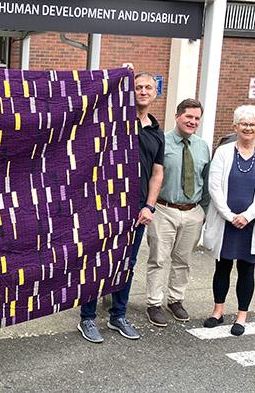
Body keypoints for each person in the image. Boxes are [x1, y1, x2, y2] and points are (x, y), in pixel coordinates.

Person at [77, 71, 164, 343]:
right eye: (138, 87)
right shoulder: (114, 122)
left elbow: (157, 173)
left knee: (127, 263)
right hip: (107, 204)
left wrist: (149, 206)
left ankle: (118, 315)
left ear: (155, 93)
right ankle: (87, 319)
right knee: (97, 260)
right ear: (130, 91)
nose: (143, 91)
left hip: (138, 208)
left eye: (148, 87)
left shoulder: (156, 132)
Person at [202, 105, 255, 336]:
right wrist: (229, 215)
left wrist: (246, 216)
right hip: (226, 222)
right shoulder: (224, 152)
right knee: (222, 267)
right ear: (235, 127)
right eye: (243, 124)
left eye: (252, 124)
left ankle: (241, 317)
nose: (248, 128)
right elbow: (214, 187)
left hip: (251, 224)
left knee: (247, 270)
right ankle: (217, 311)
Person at [145, 98, 210, 327]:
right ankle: (154, 303)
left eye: (196, 118)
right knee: (159, 259)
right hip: (164, 209)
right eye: (188, 116)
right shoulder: (162, 141)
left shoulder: (202, 146)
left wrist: (204, 212)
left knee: (183, 260)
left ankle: (176, 300)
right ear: (177, 116)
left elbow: (206, 180)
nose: (192, 121)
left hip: (192, 211)